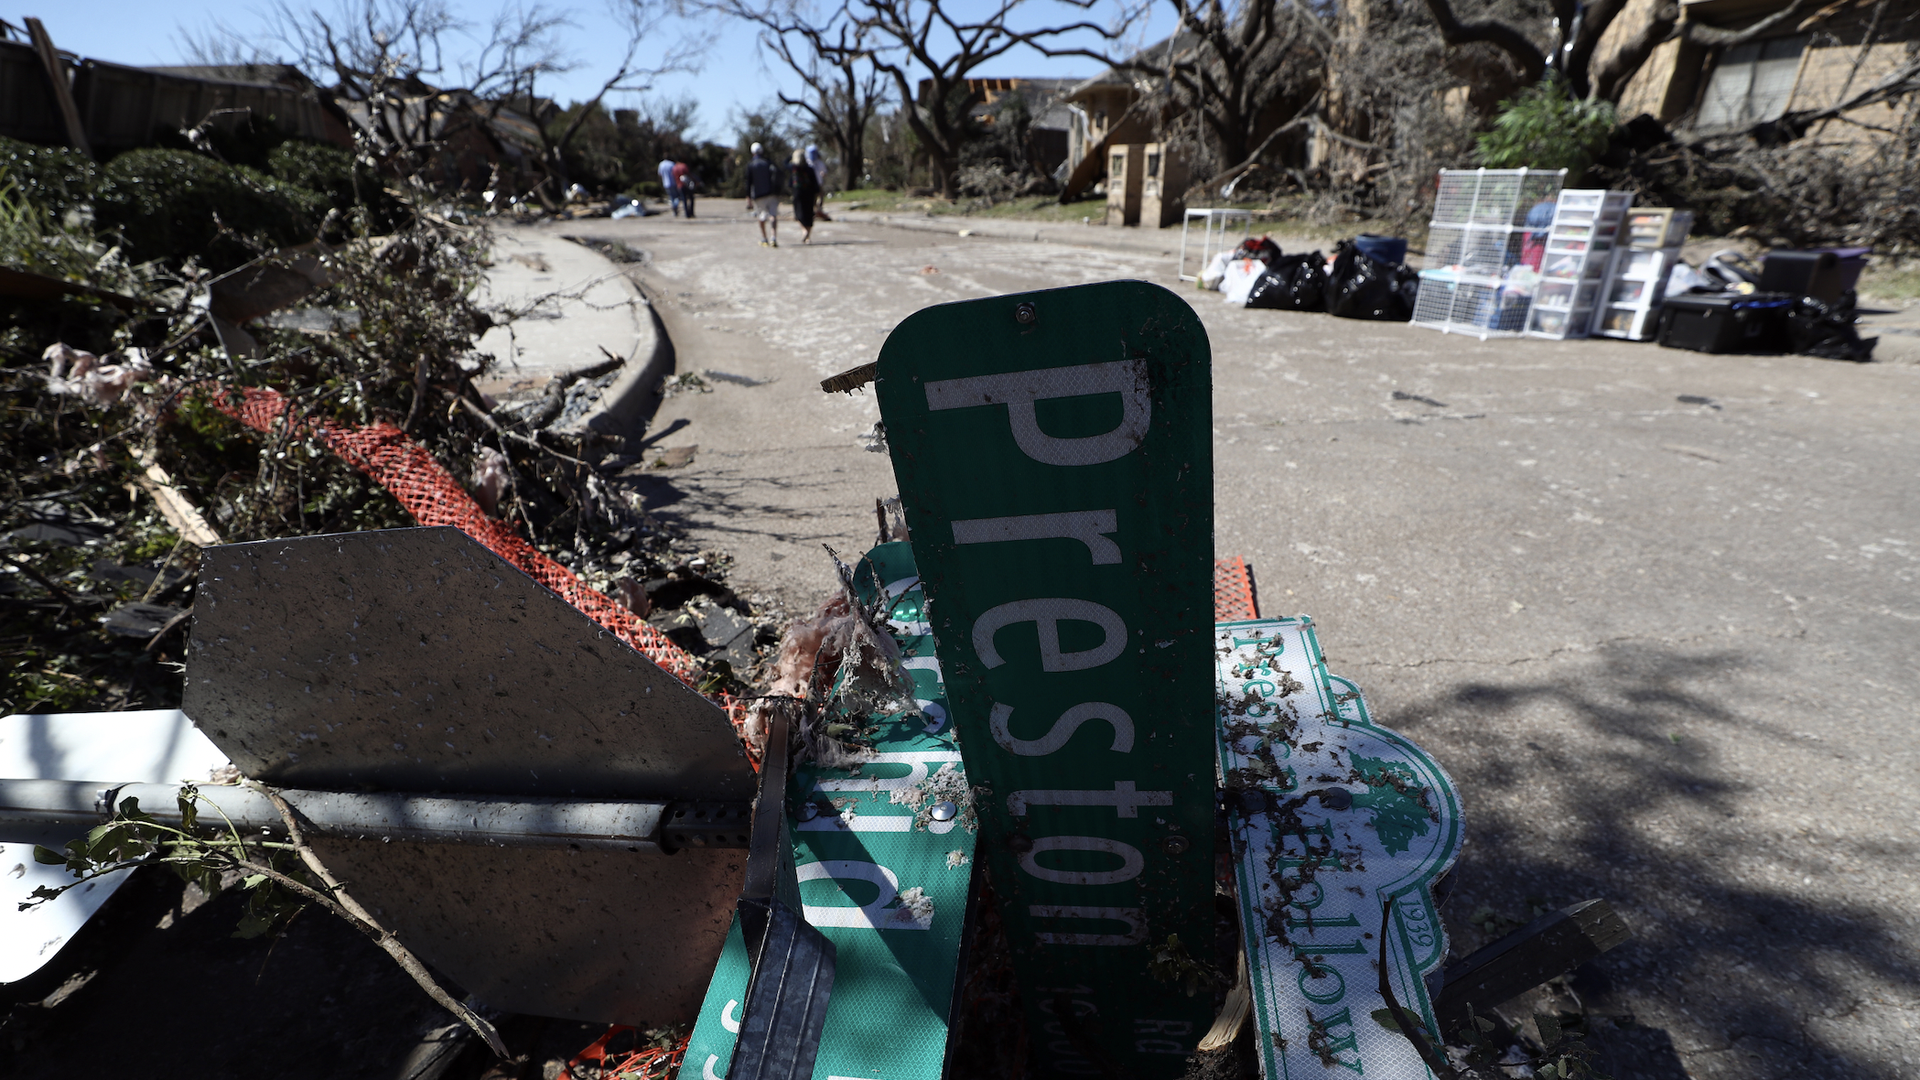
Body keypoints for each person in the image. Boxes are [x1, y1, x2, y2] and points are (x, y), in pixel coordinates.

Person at [745, 142, 780, 247]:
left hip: (759, 194)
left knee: (762, 216)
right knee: (773, 215)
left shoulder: (751, 165)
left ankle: (764, 239)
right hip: (772, 193)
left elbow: (748, 183)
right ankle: (773, 237)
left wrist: (748, 198)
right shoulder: (768, 163)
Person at [789, 148, 820, 243]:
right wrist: (817, 195)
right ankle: (808, 236)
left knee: (798, 215)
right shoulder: (810, 169)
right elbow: (815, 184)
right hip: (809, 194)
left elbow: (784, 163)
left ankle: (804, 231)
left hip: (798, 194)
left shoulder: (794, 169)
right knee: (809, 215)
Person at [805, 144, 833, 221]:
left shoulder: (819, 162)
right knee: (812, 198)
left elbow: (824, 172)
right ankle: (814, 211)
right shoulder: (807, 162)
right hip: (810, 183)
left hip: (818, 182)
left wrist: (823, 174)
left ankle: (819, 210)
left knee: (820, 196)